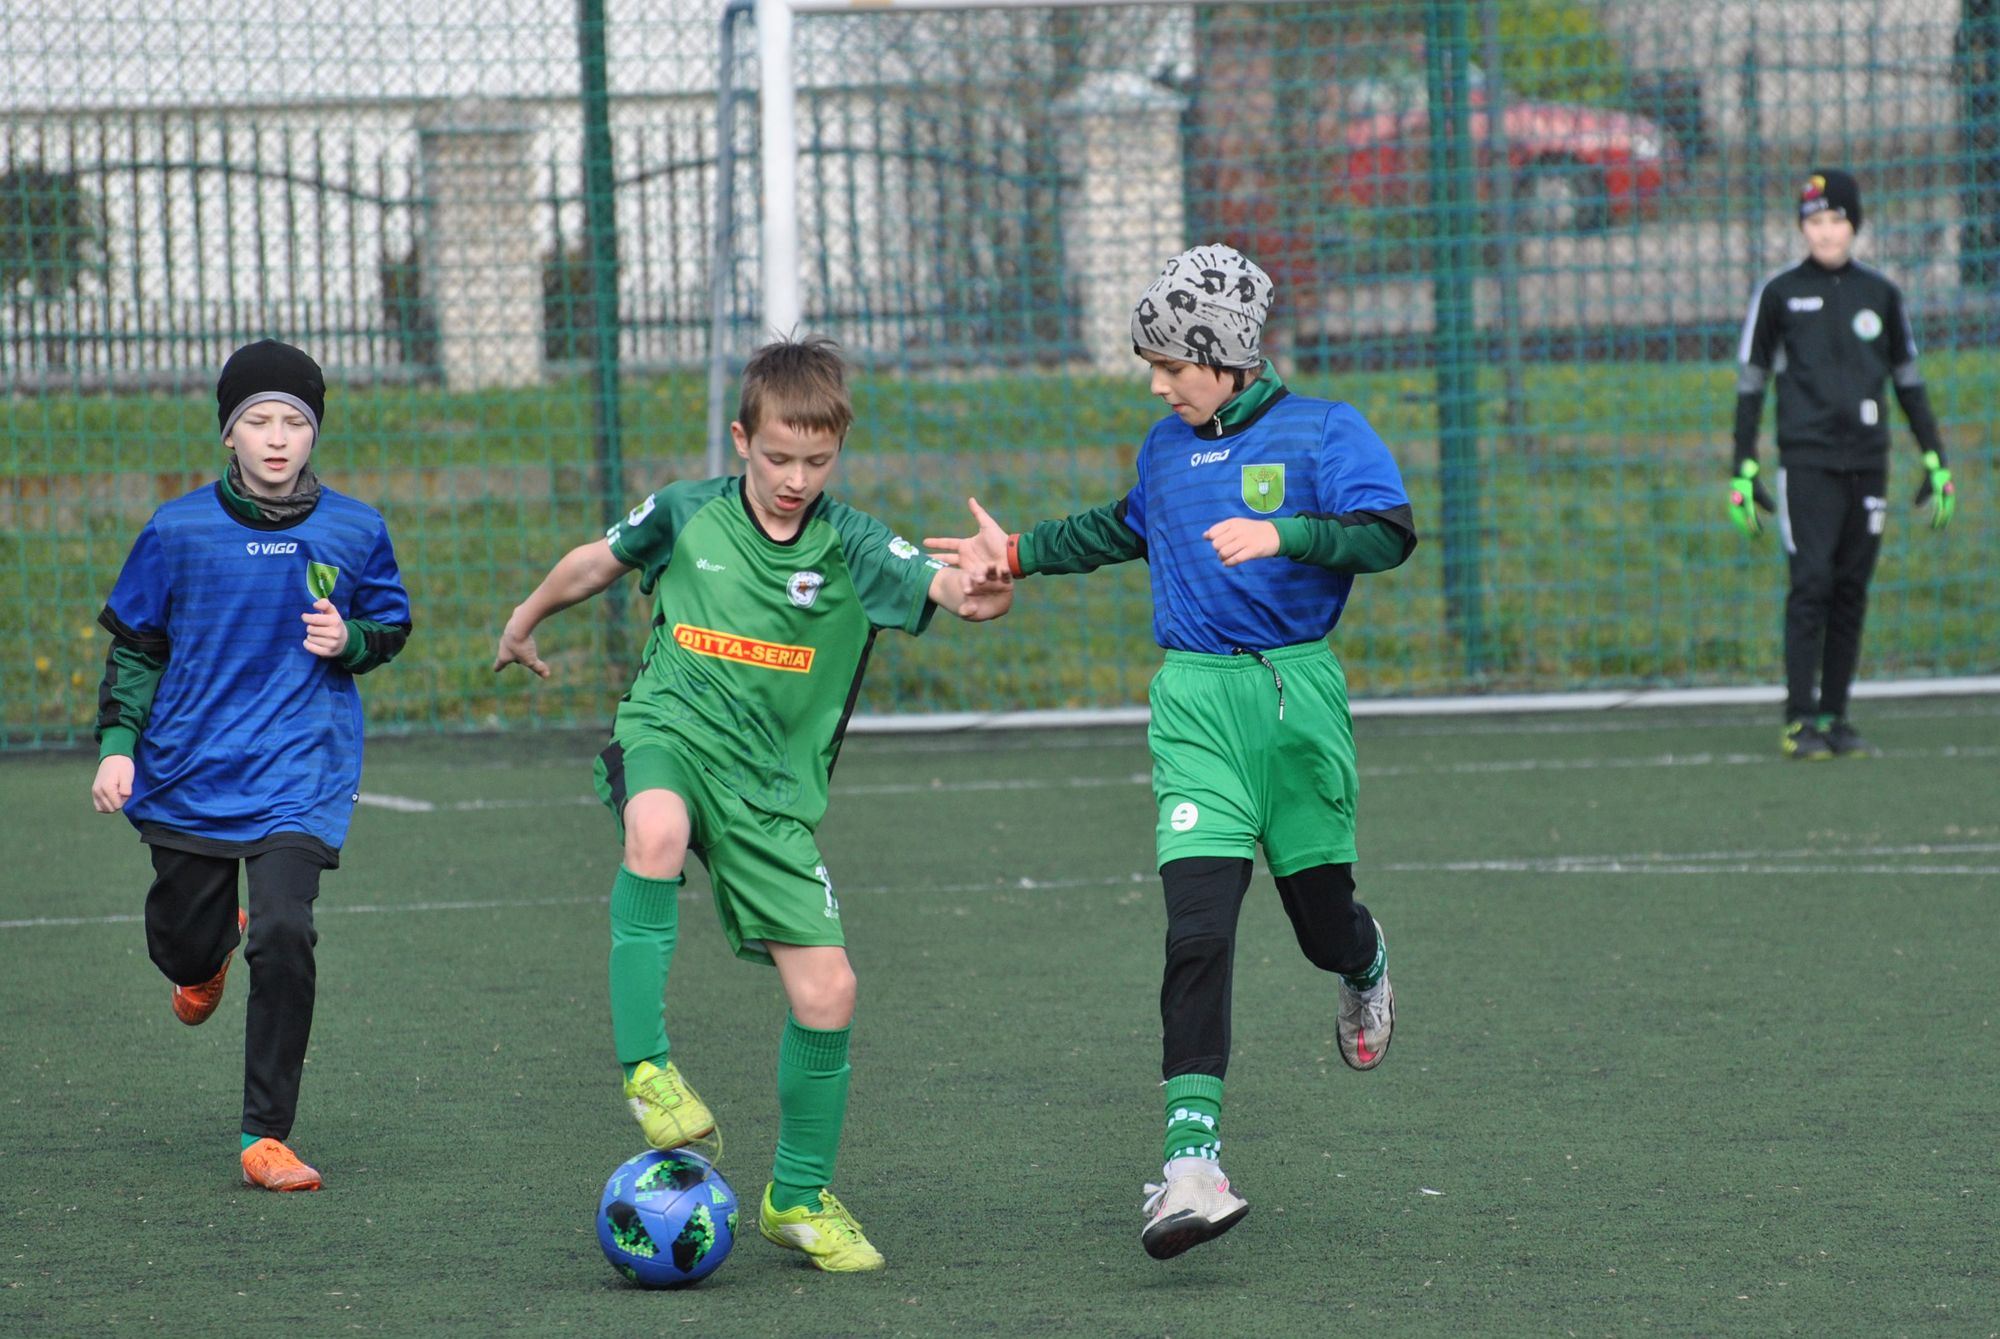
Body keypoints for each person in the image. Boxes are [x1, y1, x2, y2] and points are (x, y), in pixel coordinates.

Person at [927, 244, 1418, 1260]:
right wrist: (1013, 551)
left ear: (1228, 356)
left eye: (1170, 363)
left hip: (1294, 701)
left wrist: (1286, 536)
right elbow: (1121, 527)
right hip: (1193, 704)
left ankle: (1362, 959)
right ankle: (1189, 1164)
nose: (1155, 382)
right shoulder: (1164, 445)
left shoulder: (1326, 431)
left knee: (1319, 923)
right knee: (1196, 927)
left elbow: (1387, 533)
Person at [492, 335, 1011, 1274]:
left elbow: (954, 594)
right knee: (654, 828)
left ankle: (798, 1197)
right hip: (672, 732)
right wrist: (526, 617)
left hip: (771, 794)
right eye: (778, 456)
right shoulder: (689, 513)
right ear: (742, 439)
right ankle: (648, 1070)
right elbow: (596, 561)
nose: (795, 477)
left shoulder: (853, 543)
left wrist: (988, 585)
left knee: (831, 990)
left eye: (817, 460)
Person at [90, 339, 412, 1192]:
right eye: (258, 421)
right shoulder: (177, 528)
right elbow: (136, 648)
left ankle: (265, 1134)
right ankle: (202, 960)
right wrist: (119, 748)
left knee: (283, 930)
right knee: (180, 942)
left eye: (295, 422)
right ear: (229, 435)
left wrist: (353, 641)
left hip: (301, 767)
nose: (277, 438)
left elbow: (390, 624)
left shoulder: (356, 528)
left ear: (314, 434)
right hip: (189, 768)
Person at [1729, 168, 1957, 759]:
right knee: (1811, 584)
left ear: (1854, 225)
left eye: (1836, 220)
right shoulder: (1778, 295)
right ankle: (1799, 718)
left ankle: (1836, 714)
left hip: (1869, 462)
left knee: (1852, 588)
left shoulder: (1881, 295)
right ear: (1802, 227)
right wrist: (1742, 465)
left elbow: (1908, 383)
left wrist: (1935, 459)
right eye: (1814, 221)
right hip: (1806, 462)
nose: (1826, 233)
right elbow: (1751, 385)